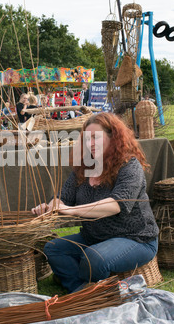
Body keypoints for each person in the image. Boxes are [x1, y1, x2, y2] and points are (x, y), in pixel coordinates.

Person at [31, 112, 159, 293]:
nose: (90, 143)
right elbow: (63, 197)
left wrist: (73, 211)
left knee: (94, 258)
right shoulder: (84, 168)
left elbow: (116, 205)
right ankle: (80, 291)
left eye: (95, 138)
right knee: (53, 248)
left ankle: (82, 285)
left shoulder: (129, 166)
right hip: (94, 238)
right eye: (86, 139)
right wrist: (51, 206)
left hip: (135, 238)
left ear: (113, 137)